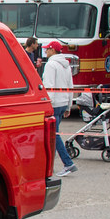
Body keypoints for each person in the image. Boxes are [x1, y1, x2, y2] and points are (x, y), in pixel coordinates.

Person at [41, 41, 77, 176]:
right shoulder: (66, 65)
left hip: (54, 104)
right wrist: (69, 105)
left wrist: (47, 105)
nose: (45, 51)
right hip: (63, 103)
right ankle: (51, 164)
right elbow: (70, 86)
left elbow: (49, 86)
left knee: (54, 136)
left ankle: (68, 163)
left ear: (52, 50)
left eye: (47, 49)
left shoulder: (51, 65)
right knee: (54, 135)